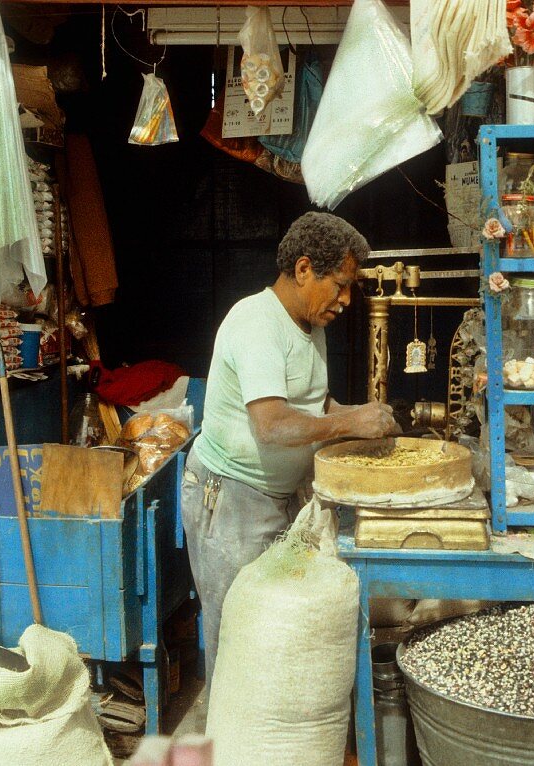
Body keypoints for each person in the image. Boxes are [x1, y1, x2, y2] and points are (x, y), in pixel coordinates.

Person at [181, 212, 398, 692]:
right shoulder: (257, 323)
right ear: (303, 270)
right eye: (340, 286)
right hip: (232, 499)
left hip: (277, 498)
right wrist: (349, 422)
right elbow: (273, 423)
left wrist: (360, 419)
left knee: (271, 631)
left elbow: (312, 404)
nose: (346, 301)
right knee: (237, 635)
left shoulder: (308, 326)